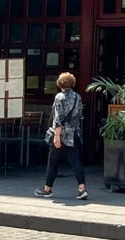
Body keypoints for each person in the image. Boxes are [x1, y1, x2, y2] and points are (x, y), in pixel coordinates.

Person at [34, 72, 88, 200]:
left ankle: (47, 189)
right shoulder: (77, 97)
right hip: (73, 133)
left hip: (61, 133)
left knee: (52, 161)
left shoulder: (59, 97)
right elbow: (79, 115)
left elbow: (57, 118)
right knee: (75, 161)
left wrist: (57, 136)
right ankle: (82, 188)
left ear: (60, 84)